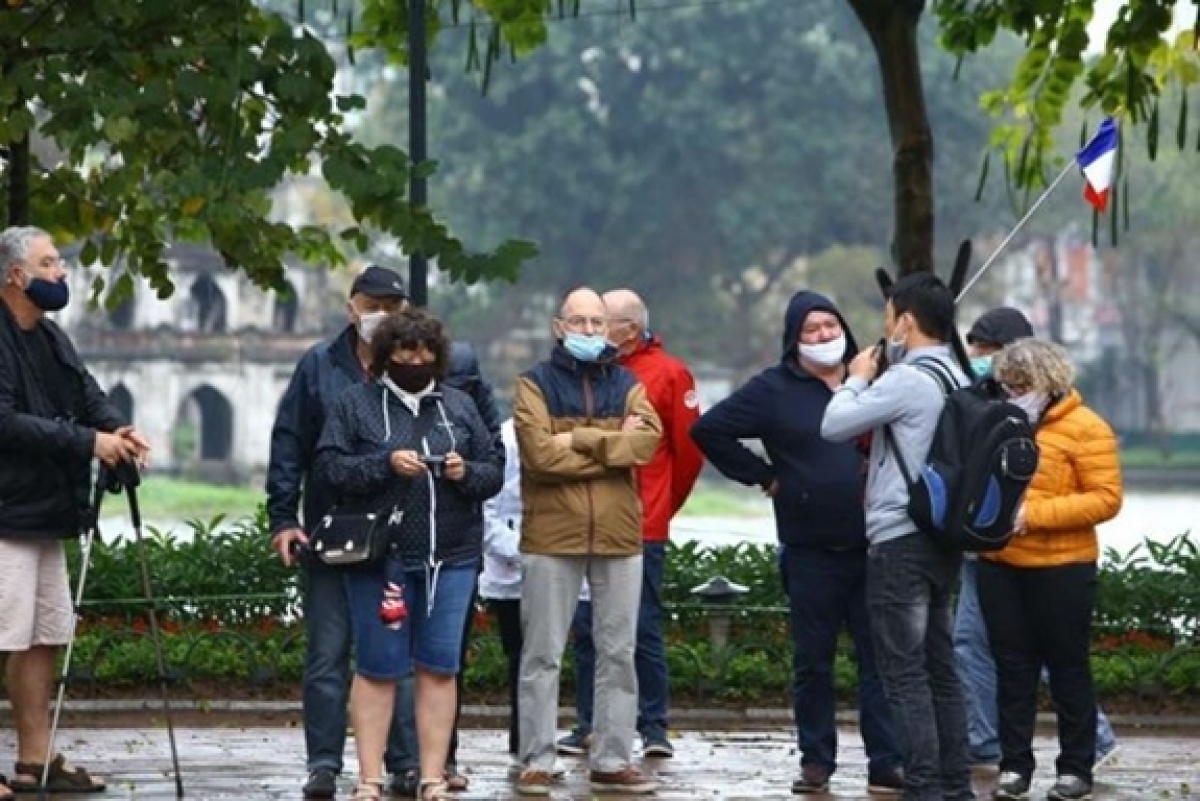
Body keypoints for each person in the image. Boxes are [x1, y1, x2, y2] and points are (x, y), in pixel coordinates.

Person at [265, 265, 499, 799]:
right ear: (352, 307)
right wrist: (284, 517)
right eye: (373, 305)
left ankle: (414, 765)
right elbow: (297, 448)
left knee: (426, 664)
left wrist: (468, 472)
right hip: (342, 538)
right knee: (336, 654)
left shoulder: (457, 389)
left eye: (392, 307)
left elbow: (493, 459)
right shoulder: (323, 369)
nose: (382, 316)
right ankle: (326, 763)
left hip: (441, 548)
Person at [691, 290, 903, 795]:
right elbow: (709, 430)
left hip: (875, 544)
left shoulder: (877, 377)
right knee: (814, 660)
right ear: (793, 339)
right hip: (810, 549)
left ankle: (887, 759)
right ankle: (816, 758)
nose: (824, 336)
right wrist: (764, 477)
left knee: (881, 658)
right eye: (811, 329)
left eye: (831, 325)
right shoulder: (773, 389)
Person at [0, 225, 151, 796]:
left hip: (47, 511)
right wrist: (90, 443)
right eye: (49, 262)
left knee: (43, 635)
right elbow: (4, 421)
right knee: (2, 635)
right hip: (5, 512)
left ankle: (35, 762)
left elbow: (87, 394)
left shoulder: (53, 337)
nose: (61, 272)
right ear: (17, 276)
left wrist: (118, 428)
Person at [820, 272, 975, 801]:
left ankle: (925, 786)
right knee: (941, 668)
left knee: (904, 673)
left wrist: (858, 377)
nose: (885, 331)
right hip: (943, 536)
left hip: (900, 538)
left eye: (889, 320)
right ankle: (956, 784)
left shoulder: (907, 379)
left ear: (906, 322)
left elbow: (835, 424)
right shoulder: (961, 375)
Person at [512, 287, 662, 797]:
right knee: (543, 653)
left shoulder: (628, 382)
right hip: (551, 534)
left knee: (618, 651)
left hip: (620, 534)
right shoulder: (533, 384)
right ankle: (537, 758)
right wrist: (610, 445)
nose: (590, 332)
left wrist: (576, 438)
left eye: (598, 323)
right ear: (559, 327)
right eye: (579, 322)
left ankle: (614, 757)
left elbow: (645, 443)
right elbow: (538, 457)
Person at [956, 308, 1119, 769]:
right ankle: (1012, 765)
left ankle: (1079, 762)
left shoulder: (1086, 429)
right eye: (1007, 386)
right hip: (999, 561)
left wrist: (1034, 515)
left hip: (1063, 567)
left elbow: (1105, 498)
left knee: (1065, 666)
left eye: (1020, 386)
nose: (1012, 394)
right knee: (1009, 667)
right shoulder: (996, 420)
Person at [559, 289, 703, 759]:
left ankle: (654, 726)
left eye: (603, 321)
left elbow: (688, 454)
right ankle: (587, 724)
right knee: (586, 630)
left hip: (642, 524)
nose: (594, 329)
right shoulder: (593, 370)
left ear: (629, 327)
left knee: (640, 630)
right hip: (587, 518)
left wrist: (662, 507)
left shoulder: (668, 373)